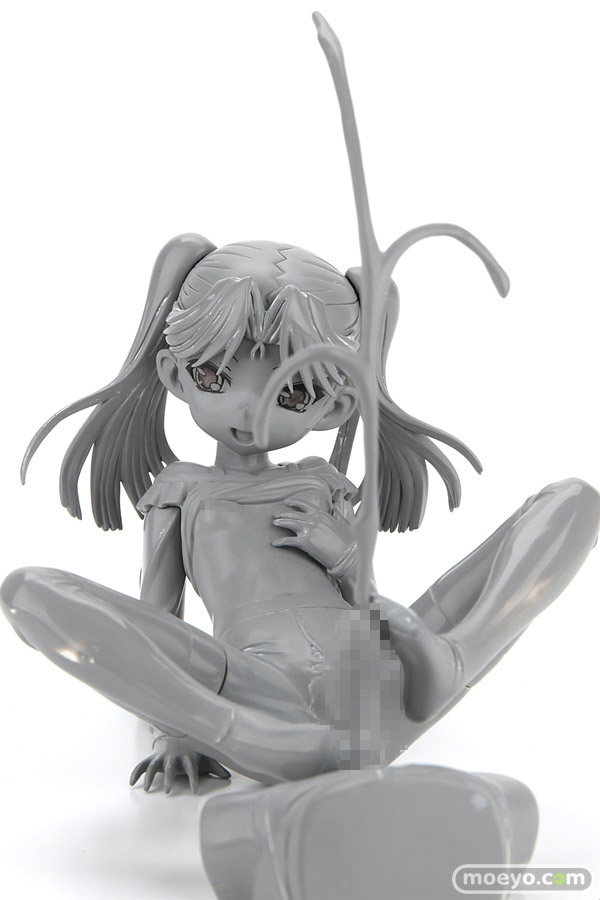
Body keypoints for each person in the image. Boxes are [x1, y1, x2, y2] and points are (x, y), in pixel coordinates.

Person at [3, 236, 599, 790]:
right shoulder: (180, 491)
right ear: (174, 375)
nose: (249, 407)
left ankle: (450, 658)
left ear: (335, 408)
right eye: (216, 375)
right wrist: (173, 730)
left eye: (291, 393)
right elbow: (155, 623)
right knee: (30, 592)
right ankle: (244, 732)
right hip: (257, 689)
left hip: (384, 670)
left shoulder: (320, 482)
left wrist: (344, 553)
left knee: (572, 501)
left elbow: (367, 598)